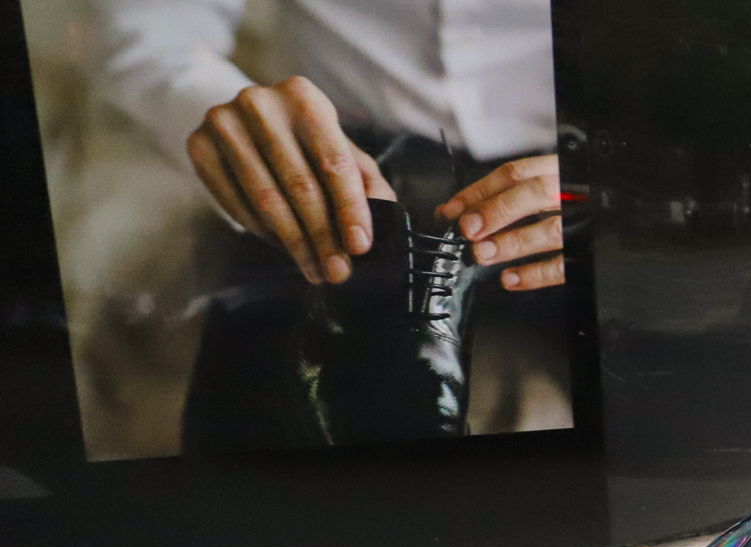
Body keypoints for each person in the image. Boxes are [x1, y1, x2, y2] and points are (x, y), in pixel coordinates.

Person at [100, 0, 571, 449]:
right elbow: (151, 24)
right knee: (273, 433)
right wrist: (211, 104)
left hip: (585, 171)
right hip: (338, 166)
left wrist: (636, 175)